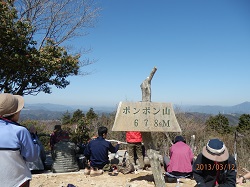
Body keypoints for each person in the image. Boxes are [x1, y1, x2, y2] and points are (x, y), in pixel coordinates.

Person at [0, 93, 40, 187]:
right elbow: (32, 157)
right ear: (14, 113)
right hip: (18, 182)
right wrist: (33, 137)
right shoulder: (20, 131)